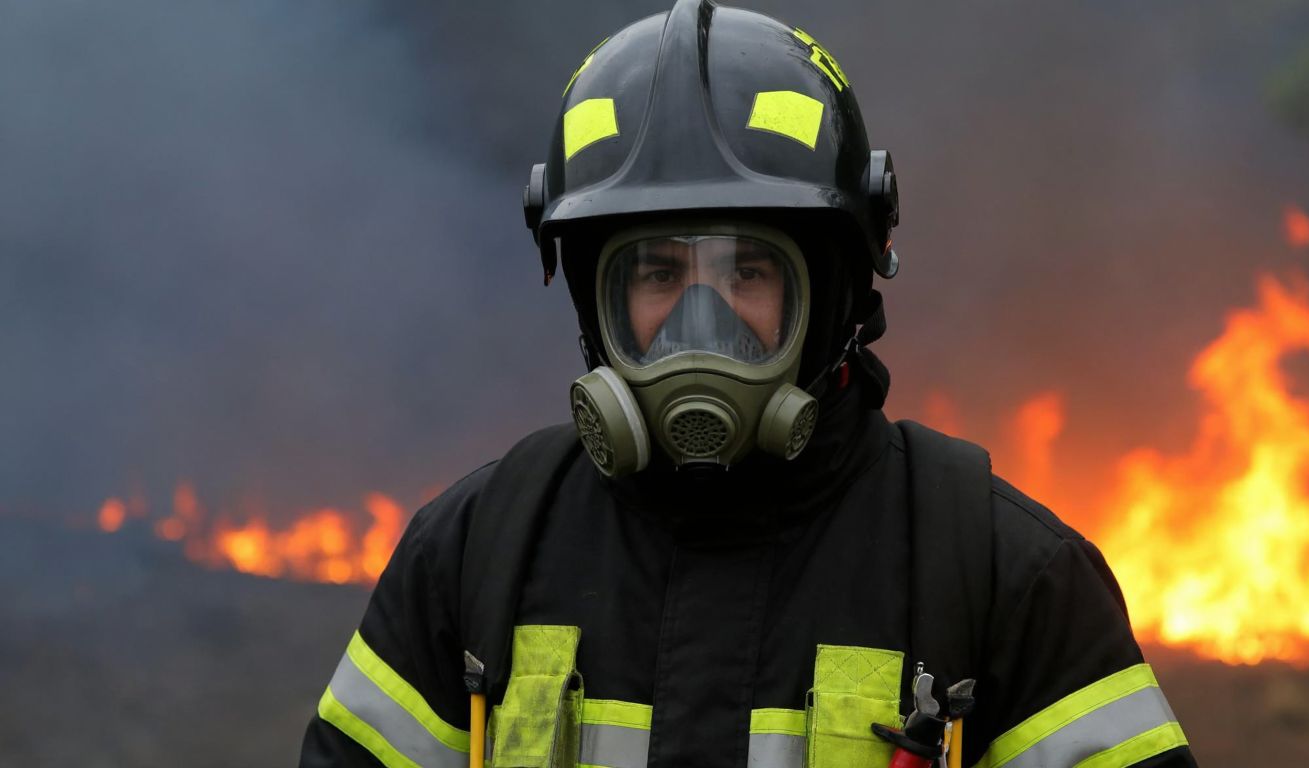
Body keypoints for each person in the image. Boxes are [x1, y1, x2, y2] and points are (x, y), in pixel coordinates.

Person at [299, 2, 1197, 767]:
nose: (703, 322)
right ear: (592, 299)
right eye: (655, 274)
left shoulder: (1003, 576)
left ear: (837, 289)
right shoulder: (475, 554)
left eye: (747, 274)